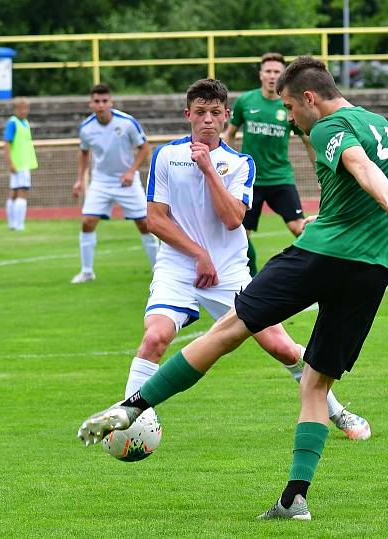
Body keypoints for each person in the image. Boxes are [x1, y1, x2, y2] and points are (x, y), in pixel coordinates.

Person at [78, 57, 388, 521]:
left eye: (289, 107)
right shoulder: (381, 124)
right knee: (315, 383)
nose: (289, 118)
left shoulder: (326, 126)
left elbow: (358, 166)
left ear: (309, 98)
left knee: (229, 329)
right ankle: (294, 499)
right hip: (376, 265)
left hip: (325, 255)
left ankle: (132, 407)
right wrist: (385, 208)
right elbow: (363, 180)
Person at [125, 78, 370, 440]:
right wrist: (197, 254)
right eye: (200, 112)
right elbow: (156, 218)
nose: (207, 119)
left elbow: (233, 218)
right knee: (154, 338)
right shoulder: (166, 156)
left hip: (229, 272)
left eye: (214, 113)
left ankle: (338, 412)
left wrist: (209, 169)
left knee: (281, 347)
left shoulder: (240, 163)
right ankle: (125, 420)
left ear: (226, 116)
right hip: (178, 268)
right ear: (187, 114)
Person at [222, 52, 316, 276]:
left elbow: (308, 140)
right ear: (261, 75)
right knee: (241, 235)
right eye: (268, 71)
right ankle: (250, 279)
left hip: (280, 177)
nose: (272, 76)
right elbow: (229, 134)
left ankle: (317, 269)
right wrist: (224, 166)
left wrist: (321, 171)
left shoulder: (289, 105)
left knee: (298, 227)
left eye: (277, 72)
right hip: (250, 180)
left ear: (283, 75)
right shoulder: (246, 101)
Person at [71, 83, 159, 284]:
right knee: (87, 222)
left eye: (104, 101)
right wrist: (79, 180)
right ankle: (87, 272)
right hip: (101, 182)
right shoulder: (86, 128)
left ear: (111, 102)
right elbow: (84, 153)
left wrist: (131, 171)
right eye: (97, 101)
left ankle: (158, 272)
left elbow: (145, 148)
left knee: (145, 224)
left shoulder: (127, 123)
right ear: (91, 103)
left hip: (127, 182)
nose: (101, 105)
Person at [3, 97, 38, 231]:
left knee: (16, 191)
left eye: (26, 108)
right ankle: (18, 224)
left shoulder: (25, 122)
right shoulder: (13, 123)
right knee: (21, 191)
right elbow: (6, 143)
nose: (24, 111)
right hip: (19, 163)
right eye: (21, 108)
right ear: (15, 109)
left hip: (25, 161)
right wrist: (10, 162)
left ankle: (13, 224)